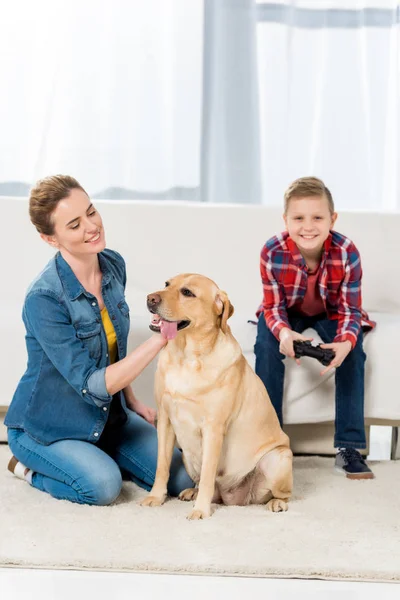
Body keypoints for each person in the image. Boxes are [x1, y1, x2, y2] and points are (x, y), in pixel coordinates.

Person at [5, 174, 193, 504]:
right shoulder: (45, 298)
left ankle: (100, 455)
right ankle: (27, 468)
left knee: (181, 476)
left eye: (91, 212)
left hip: (109, 418)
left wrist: (132, 402)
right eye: (74, 224)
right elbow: (92, 383)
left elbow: (112, 350)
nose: (92, 227)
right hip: (50, 428)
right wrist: (161, 339)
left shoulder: (113, 264)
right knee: (102, 487)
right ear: (51, 239)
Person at [254, 176, 376, 479]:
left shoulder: (347, 251)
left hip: (331, 312)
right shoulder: (271, 251)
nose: (308, 226)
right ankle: (268, 443)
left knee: (353, 351)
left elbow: (349, 309)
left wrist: (346, 342)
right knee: (266, 348)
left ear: (332, 219)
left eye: (318, 217)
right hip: (288, 313)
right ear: (286, 220)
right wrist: (283, 333)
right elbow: (272, 307)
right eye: (299, 218)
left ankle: (349, 446)